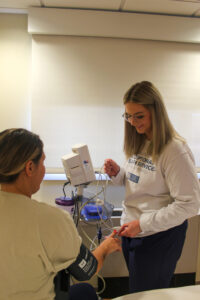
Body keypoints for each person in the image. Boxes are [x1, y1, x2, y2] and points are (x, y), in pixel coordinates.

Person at [0, 128, 121, 300]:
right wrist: (106, 246)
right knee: (86, 291)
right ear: (29, 167)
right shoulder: (49, 220)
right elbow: (87, 269)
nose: (43, 169)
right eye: (42, 163)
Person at [104, 81, 200, 293]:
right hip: (134, 231)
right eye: (128, 116)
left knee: (148, 295)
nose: (132, 122)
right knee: (140, 293)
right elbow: (138, 183)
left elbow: (190, 205)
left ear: (156, 112)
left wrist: (143, 223)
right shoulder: (140, 141)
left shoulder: (174, 150)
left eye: (139, 116)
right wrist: (118, 174)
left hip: (158, 237)